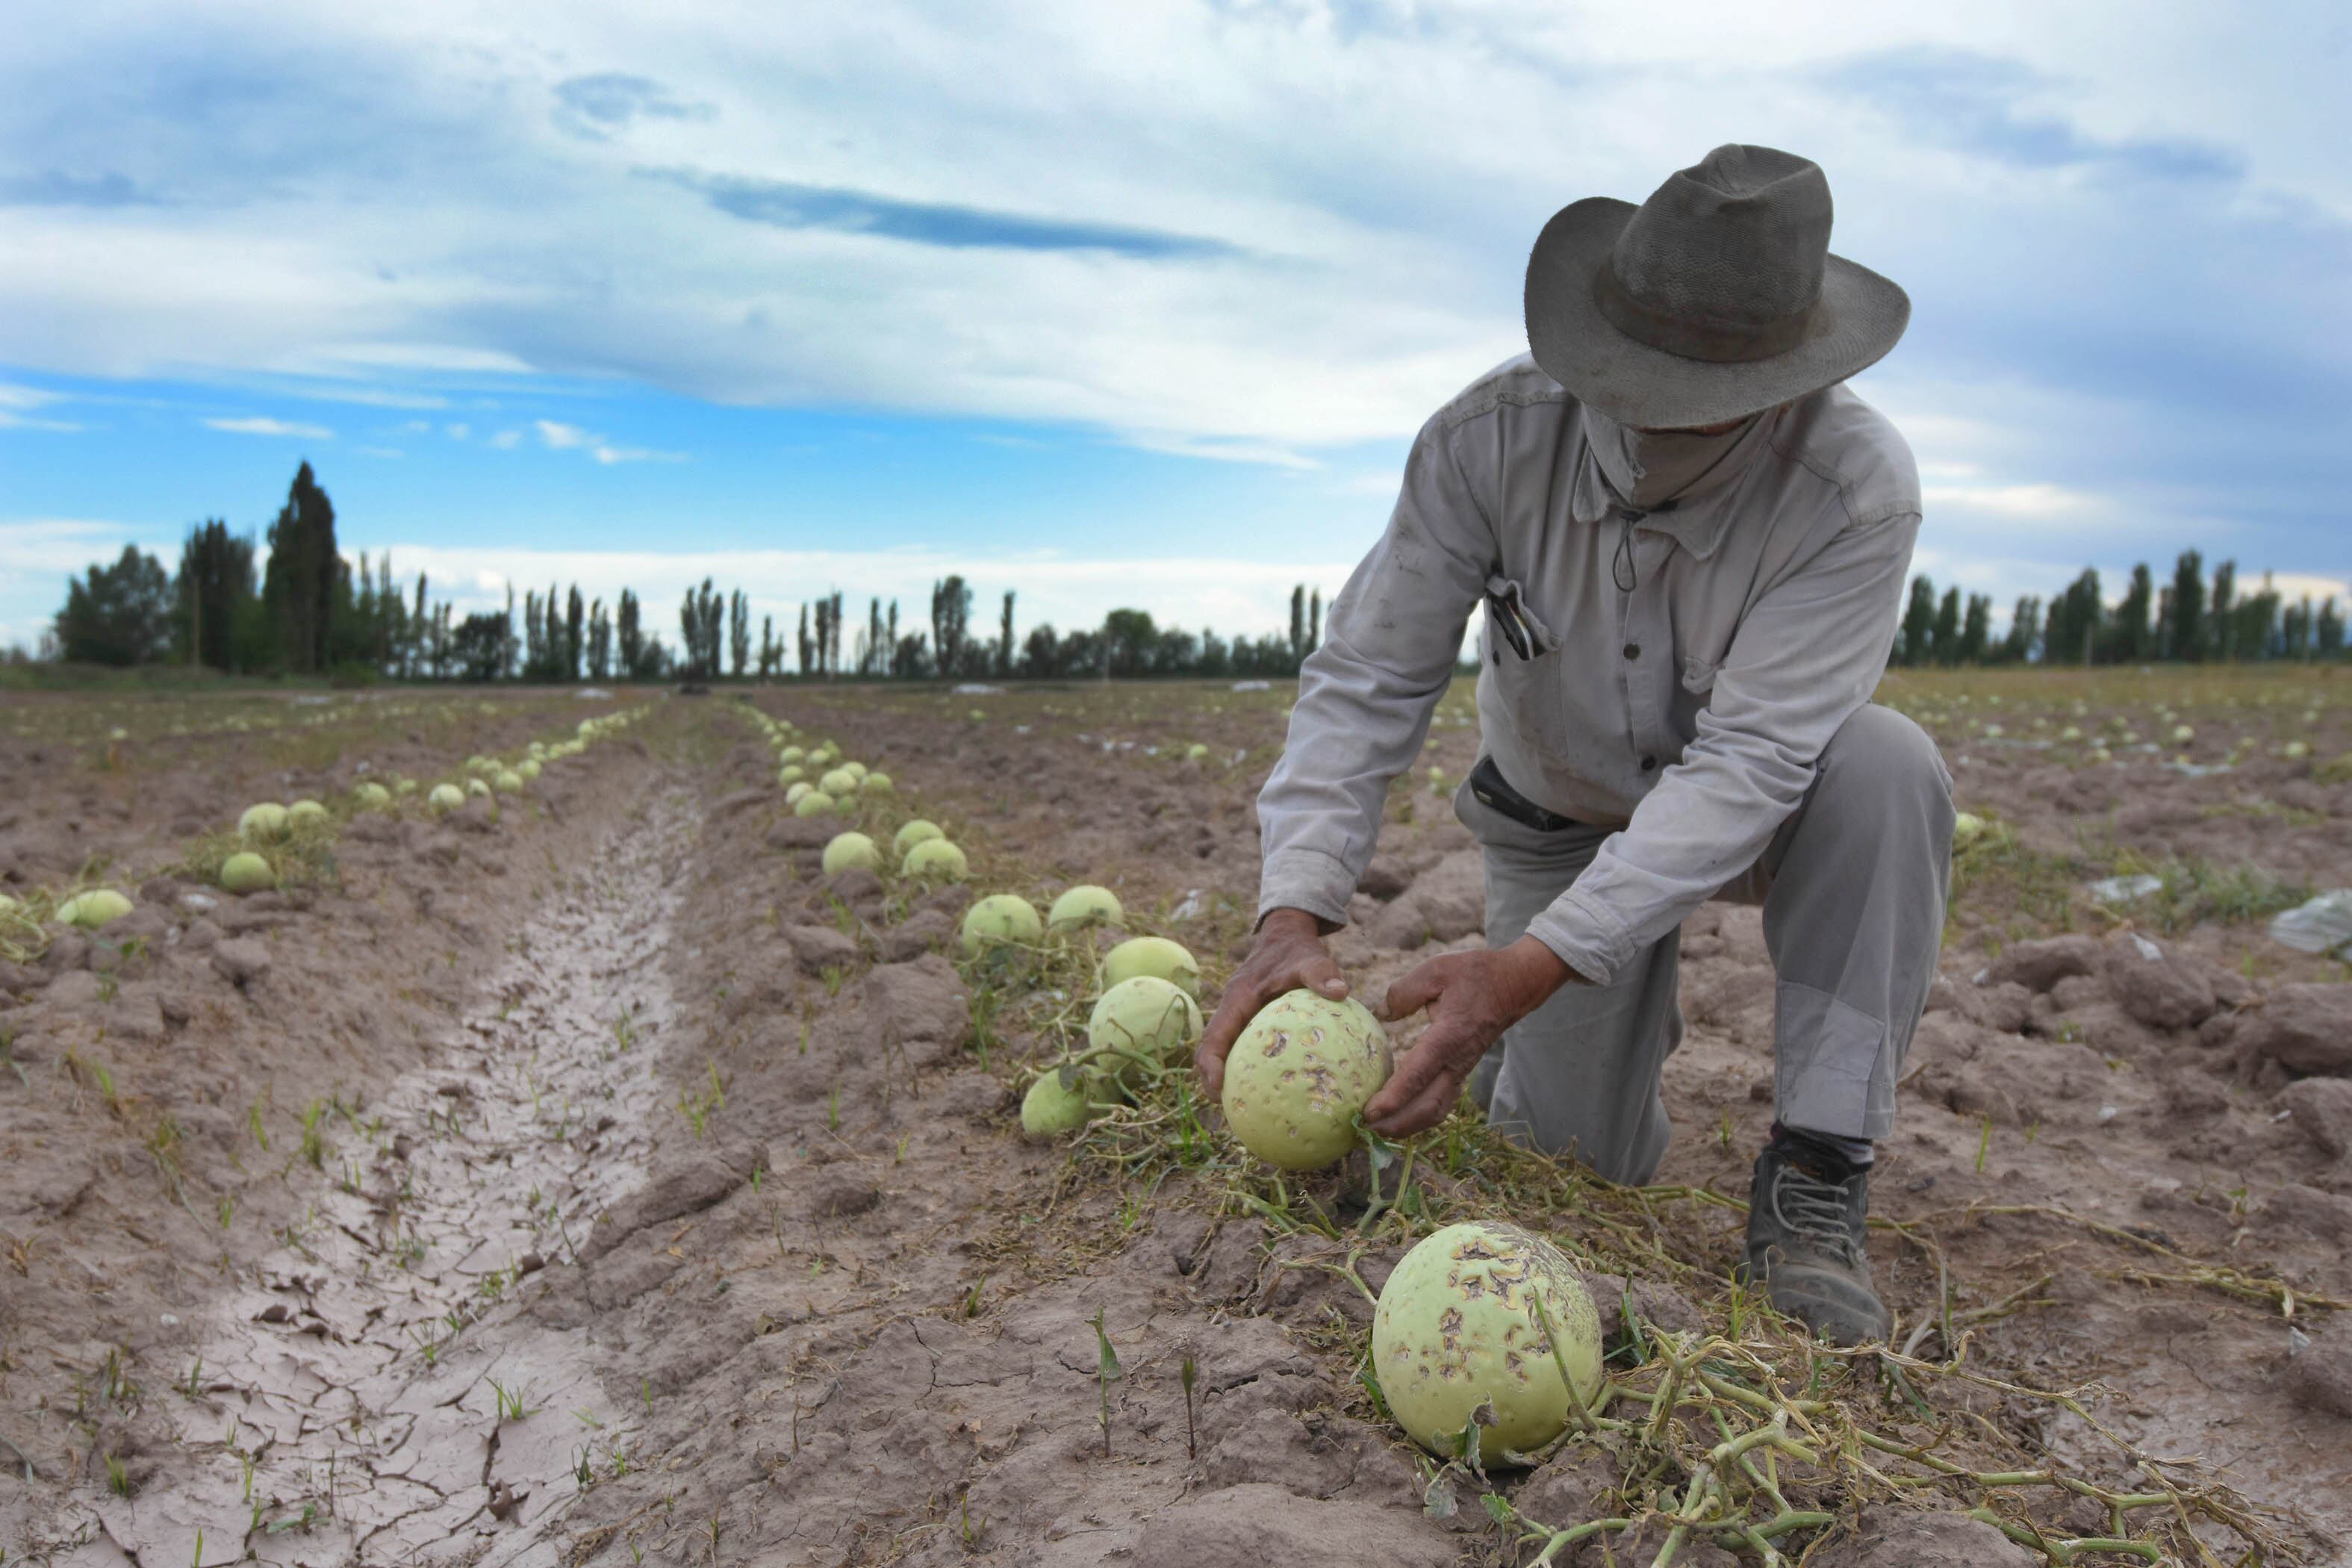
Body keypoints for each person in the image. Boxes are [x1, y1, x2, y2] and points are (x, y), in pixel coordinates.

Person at [1195, 144, 1953, 1346]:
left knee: (1885, 765)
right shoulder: (1487, 438)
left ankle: (1816, 1171)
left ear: (1780, 380)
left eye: (1687, 393)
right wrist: (1292, 909)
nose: (1644, 414)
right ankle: (1552, 1066)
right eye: (1622, 375)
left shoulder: (1852, 491)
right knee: (1567, 1169)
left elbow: (1750, 766)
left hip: (1756, 815)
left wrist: (1533, 966)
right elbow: (1367, 674)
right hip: (1555, 812)